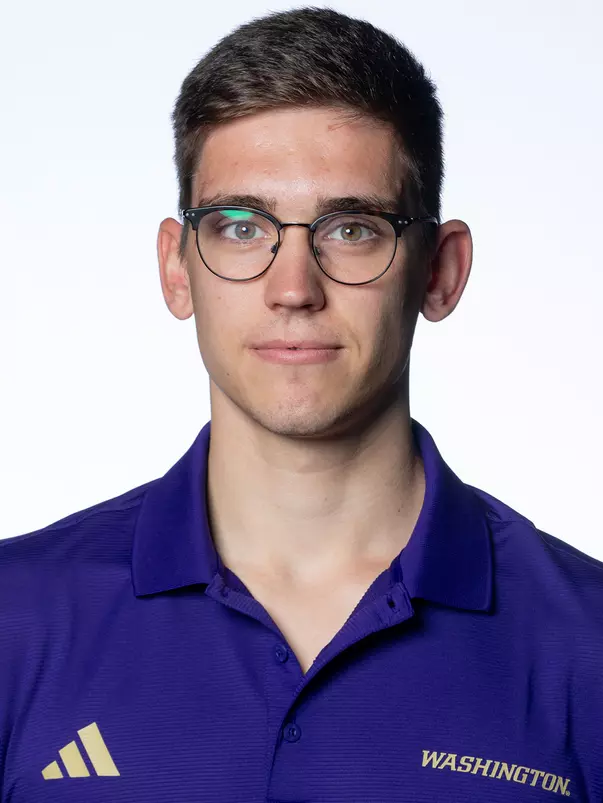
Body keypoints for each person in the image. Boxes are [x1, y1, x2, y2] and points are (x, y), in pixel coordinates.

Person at [1, 6, 602, 802]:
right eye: (241, 227)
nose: (293, 289)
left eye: (351, 229)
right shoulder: (17, 618)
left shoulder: (585, 645)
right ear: (178, 270)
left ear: (438, 272)